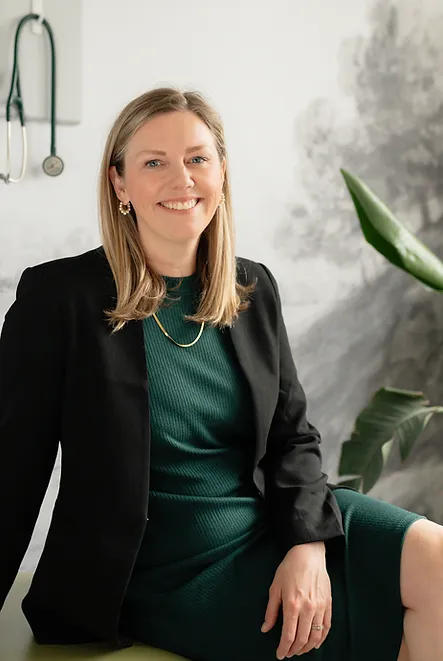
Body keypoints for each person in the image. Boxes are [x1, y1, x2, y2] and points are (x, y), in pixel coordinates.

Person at [0, 87, 442, 661]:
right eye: (153, 162)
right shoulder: (59, 297)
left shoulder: (253, 288)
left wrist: (307, 547)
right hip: (158, 571)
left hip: (269, 525)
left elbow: (293, 437)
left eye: (197, 158)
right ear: (120, 184)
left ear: (222, 173)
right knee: (368, 632)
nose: (180, 178)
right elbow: (12, 467)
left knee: (436, 561)